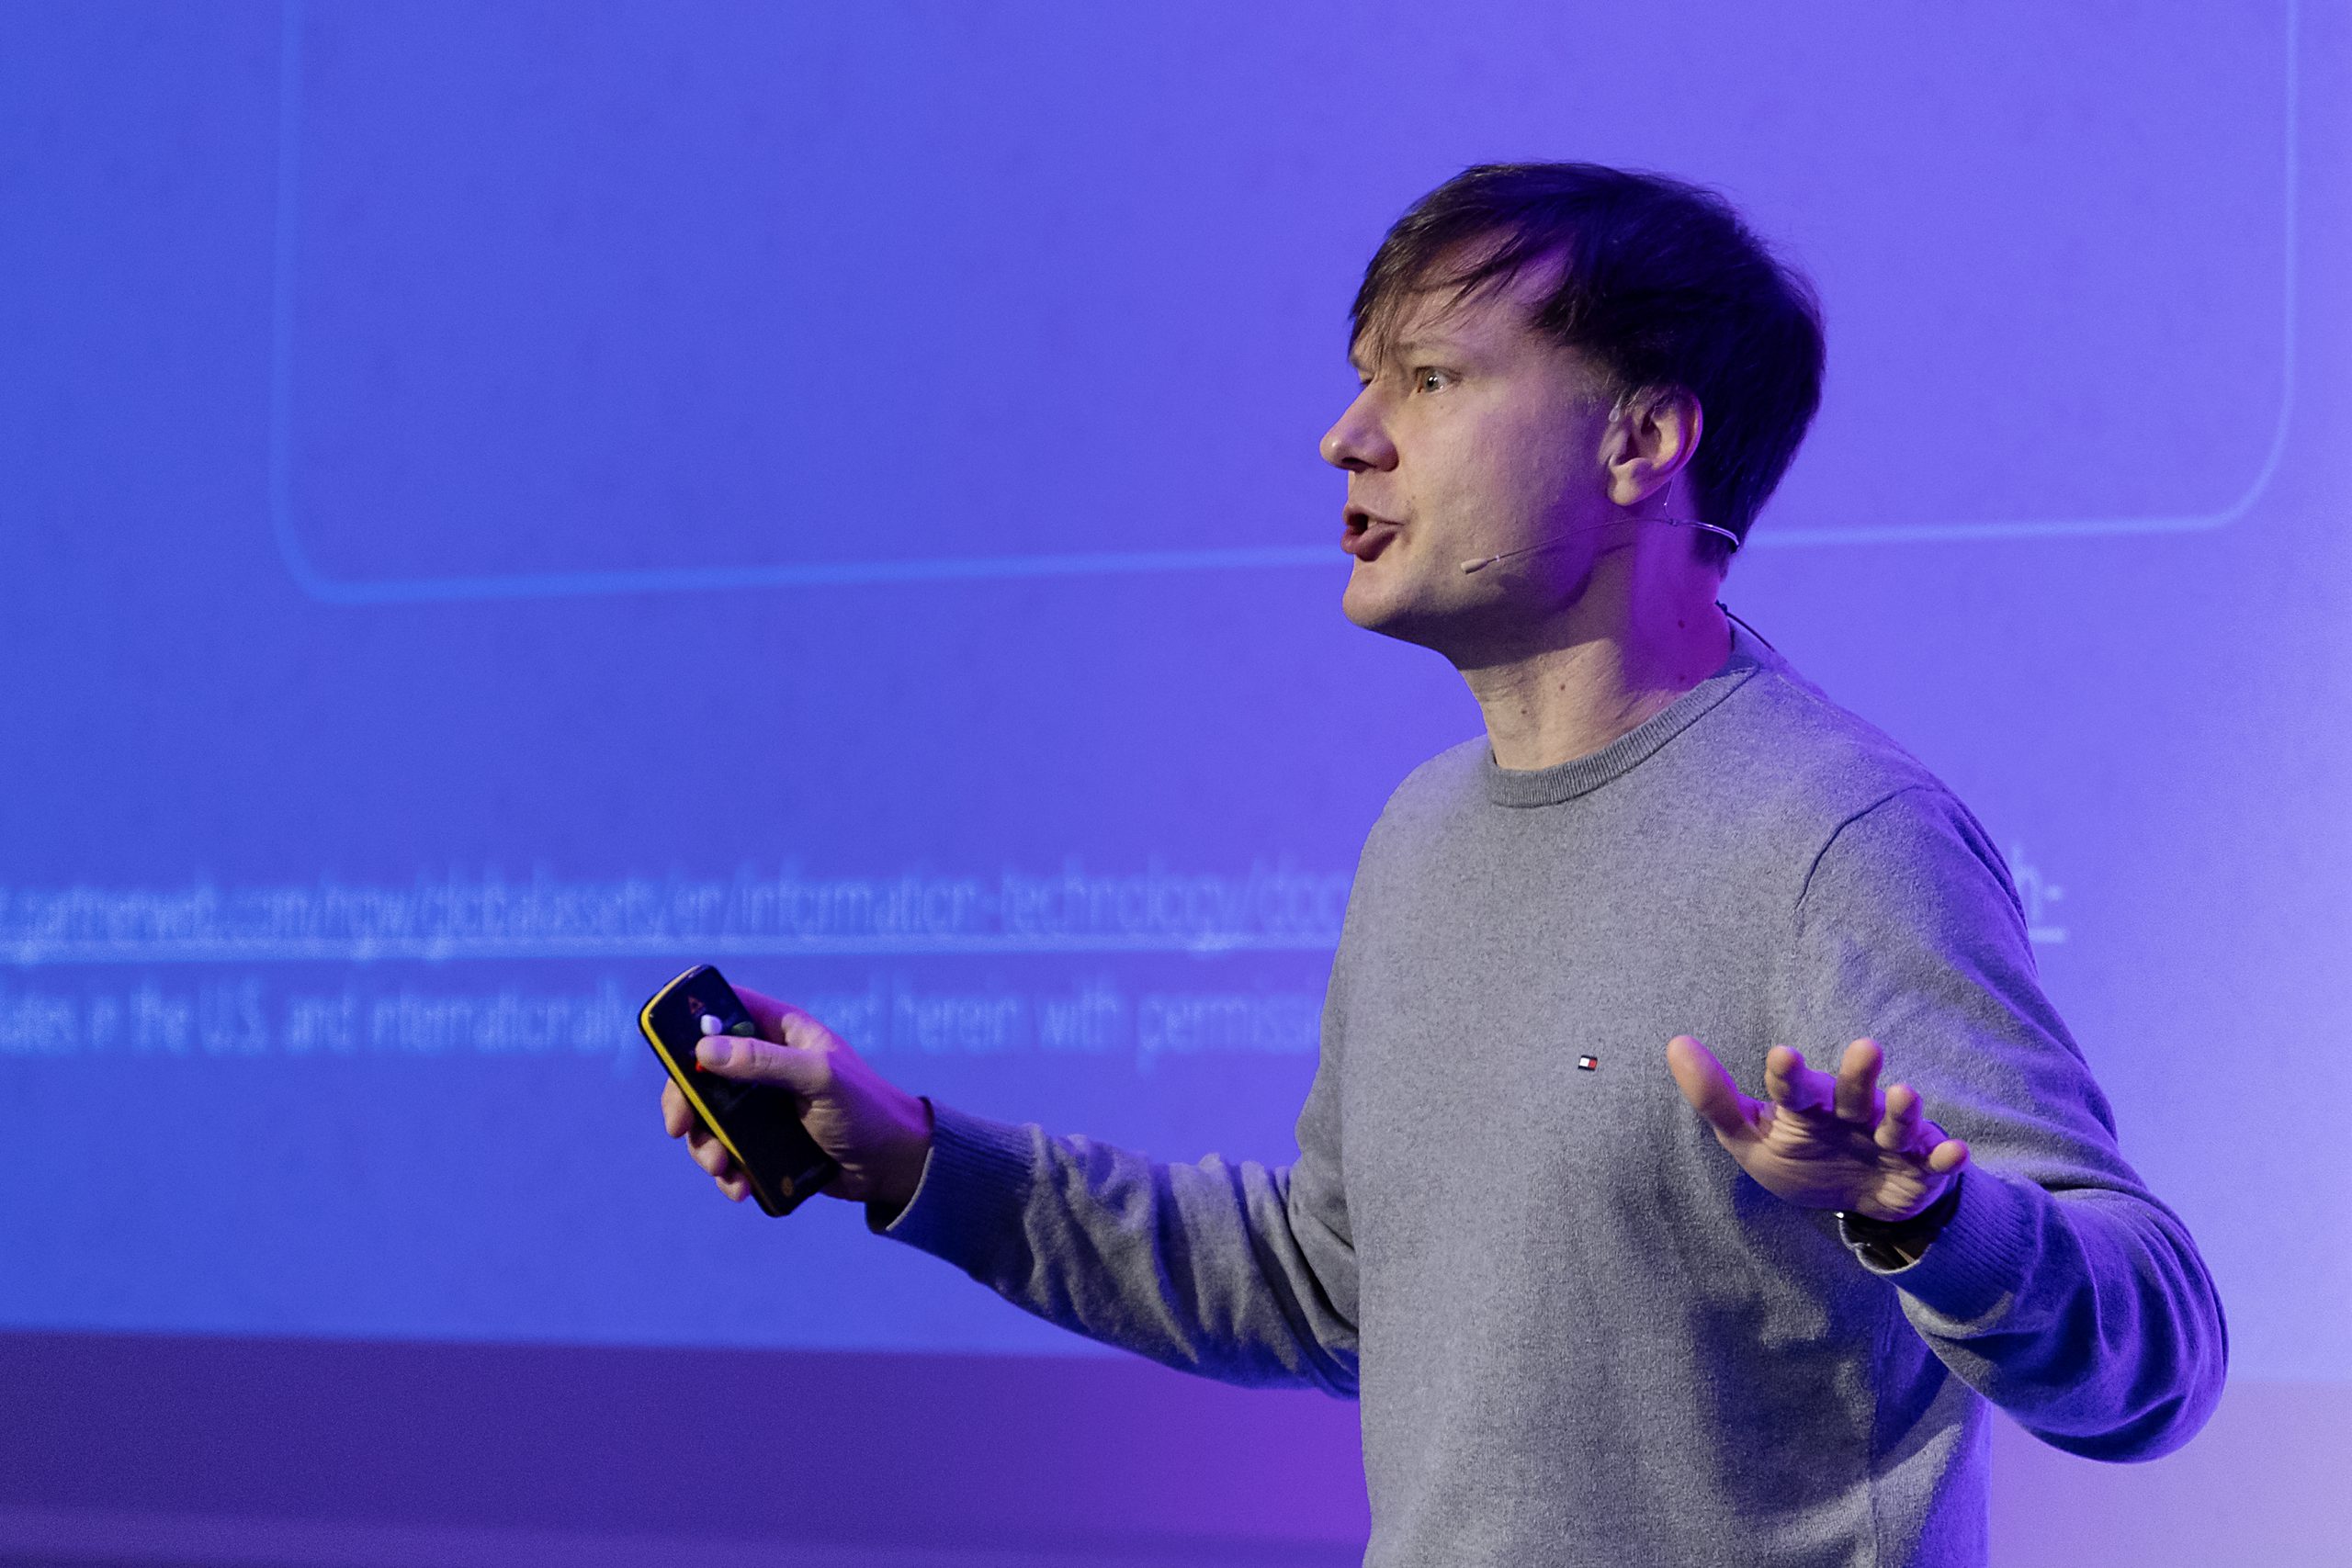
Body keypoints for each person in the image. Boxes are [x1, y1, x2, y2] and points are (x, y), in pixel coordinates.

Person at [659, 164, 2226, 1567]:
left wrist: (1933, 1223)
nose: (1347, 437)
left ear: (1642, 440)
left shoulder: (1839, 839)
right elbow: (1331, 1284)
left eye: (1427, 378)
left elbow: (2163, 1354)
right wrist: (912, 1158)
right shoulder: (1420, 835)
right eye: (1364, 381)